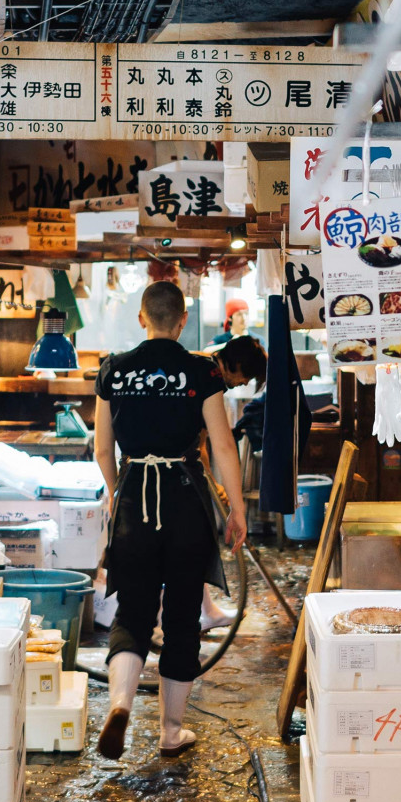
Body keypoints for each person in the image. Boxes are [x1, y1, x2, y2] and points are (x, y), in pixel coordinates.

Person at [94, 281, 248, 760]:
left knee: (132, 611)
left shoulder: (113, 370)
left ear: (142, 318)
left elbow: (102, 449)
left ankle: (120, 702)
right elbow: (222, 446)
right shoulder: (200, 370)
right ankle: (170, 731)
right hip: (185, 499)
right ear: (182, 321)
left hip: (136, 494)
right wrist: (238, 507)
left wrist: (118, 486)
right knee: (182, 616)